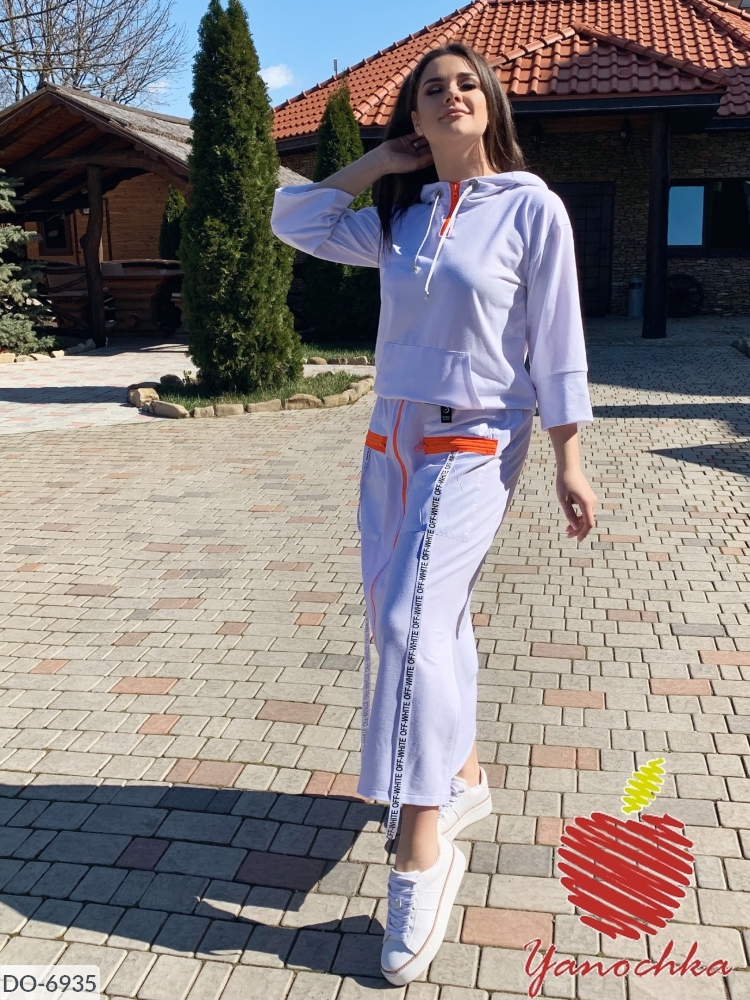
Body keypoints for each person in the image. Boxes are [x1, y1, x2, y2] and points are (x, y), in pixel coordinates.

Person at [271, 42, 597, 987]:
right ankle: (460, 776)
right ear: (414, 116)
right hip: (392, 437)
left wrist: (570, 458)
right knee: (422, 615)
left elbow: (558, 339)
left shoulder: (531, 207)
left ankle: (420, 846)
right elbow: (294, 218)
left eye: (465, 85)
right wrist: (379, 163)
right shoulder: (401, 217)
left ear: (490, 105)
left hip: (479, 436)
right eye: (432, 90)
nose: (451, 96)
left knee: (408, 620)